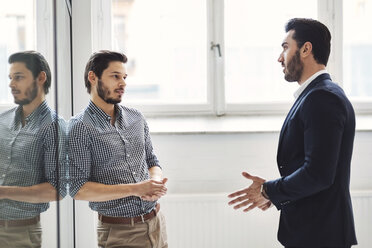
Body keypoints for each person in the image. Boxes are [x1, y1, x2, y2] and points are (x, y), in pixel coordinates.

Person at [228, 18, 357, 248]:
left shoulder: (323, 98)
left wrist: (269, 191)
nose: (280, 57)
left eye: (286, 47)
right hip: (312, 232)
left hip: (320, 235)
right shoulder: (316, 95)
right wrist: (274, 193)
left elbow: (318, 174)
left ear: (306, 49)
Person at [68, 50, 168, 248]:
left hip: (156, 223)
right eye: (115, 76)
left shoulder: (136, 118)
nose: (122, 83)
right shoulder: (80, 127)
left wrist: (153, 183)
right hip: (120, 233)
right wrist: (136, 189)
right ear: (93, 77)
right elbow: (78, 189)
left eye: (124, 77)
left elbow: (152, 161)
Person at [0, 51, 66, 247]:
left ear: (41, 78)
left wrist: (2, 192)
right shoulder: (2, 121)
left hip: (19, 234)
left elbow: (57, 190)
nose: (11, 84)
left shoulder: (54, 128)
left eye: (18, 77)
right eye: (10, 78)